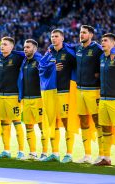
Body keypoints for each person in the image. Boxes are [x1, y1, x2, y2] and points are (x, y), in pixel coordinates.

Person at [41, 29, 76, 163]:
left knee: (67, 122)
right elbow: (42, 67)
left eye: (56, 36)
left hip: (64, 91)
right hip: (51, 91)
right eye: (52, 36)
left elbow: (79, 65)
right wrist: (52, 68)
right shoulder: (49, 53)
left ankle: (69, 154)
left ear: (62, 38)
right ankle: (54, 153)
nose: (53, 39)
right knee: (53, 121)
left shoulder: (68, 53)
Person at [94, 33, 115, 166]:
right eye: (101, 40)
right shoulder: (102, 57)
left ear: (113, 43)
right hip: (103, 99)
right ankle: (106, 158)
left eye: (105, 40)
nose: (102, 42)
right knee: (105, 129)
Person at [75, 25, 104, 164]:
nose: (81, 35)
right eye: (81, 32)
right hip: (79, 89)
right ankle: (87, 155)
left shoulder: (98, 49)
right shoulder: (78, 48)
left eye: (84, 33)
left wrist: (98, 75)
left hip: (93, 90)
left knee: (98, 121)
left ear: (91, 35)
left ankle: (103, 155)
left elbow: (109, 57)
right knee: (83, 121)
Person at [0, 36, 25, 160]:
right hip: (1, 95)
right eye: (2, 44)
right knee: (4, 124)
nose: (2, 46)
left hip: (13, 96)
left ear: (12, 47)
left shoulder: (17, 58)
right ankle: (6, 150)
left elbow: (29, 57)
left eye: (5, 44)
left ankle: (21, 152)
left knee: (17, 123)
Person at [18, 39, 48, 160]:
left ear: (34, 49)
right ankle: (32, 153)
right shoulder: (24, 62)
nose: (25, 49)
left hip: (38, 98)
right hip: (26, 98)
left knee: (42, 126)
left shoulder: (40, 60)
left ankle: (45, 153)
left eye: (28, 47)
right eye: (24, 47)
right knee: (28, 126)